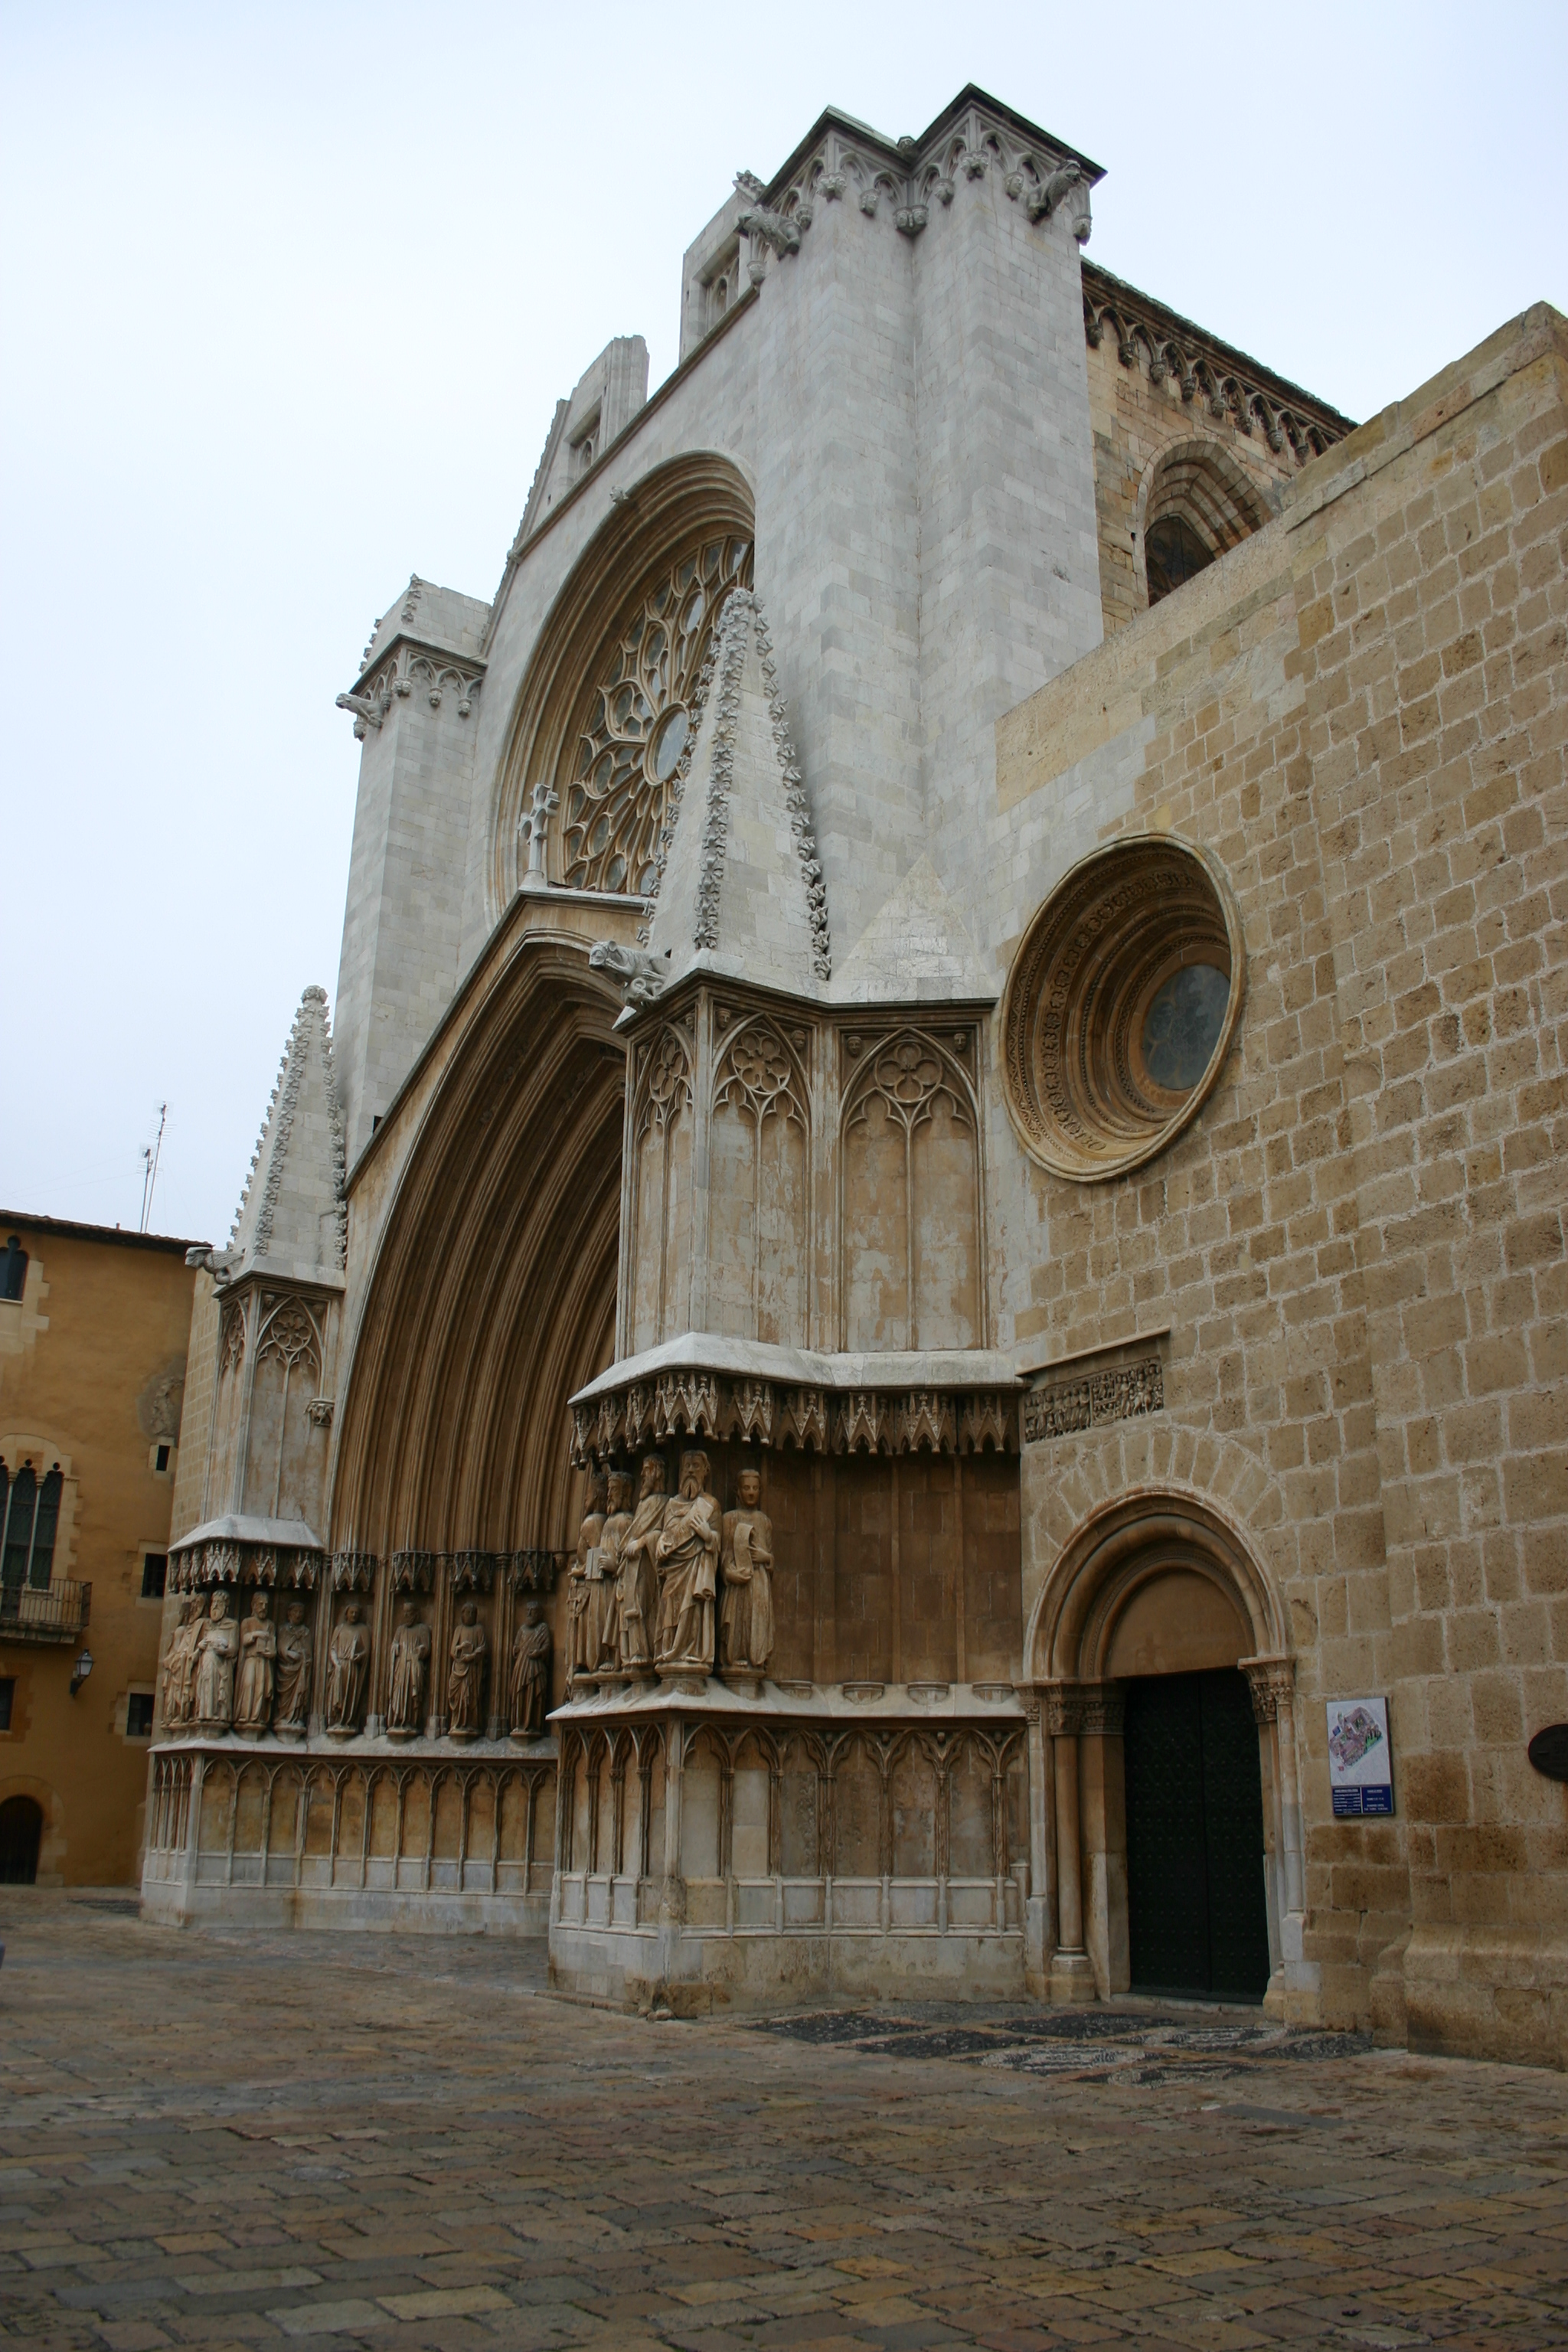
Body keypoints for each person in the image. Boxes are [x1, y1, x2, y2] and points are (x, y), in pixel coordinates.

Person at [654, 1449, 720, 1674]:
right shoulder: (671, 1505)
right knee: (668, 1606)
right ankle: (668, 1651)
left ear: (705, 1471)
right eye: (687, 1467)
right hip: (673, 1570)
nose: (691, 1471)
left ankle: (693, 1652)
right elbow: (666, 1533)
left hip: (697, 1568)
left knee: (692, 1608)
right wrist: (660, 1543)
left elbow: (718, 1542)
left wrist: (708, 1536)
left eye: (696, 1466)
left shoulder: (710, 1505)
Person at [720, 1468, 775, 1677]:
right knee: (737, 1621)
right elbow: (724, 1555)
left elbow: (770, 1557)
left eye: (755, 1488)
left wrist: (766, 1558)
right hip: (737, 1582)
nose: (751, 1492)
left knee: (757, 1620)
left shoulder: (764, 1522)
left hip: (759, 1581)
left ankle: (756, 1660)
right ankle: (735, 1658)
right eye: (746, 1488)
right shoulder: (729, 1519)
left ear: (761, 1490)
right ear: (738, 1490)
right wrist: (729, 1573)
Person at [617, 1455, 668, 1674]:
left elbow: (666, 1534)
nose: (642, 1475)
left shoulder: (665, 1502)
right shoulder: (643, 1504)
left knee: (644, 1603)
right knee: (632, 1605)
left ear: (658, 1473)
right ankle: (634, 1652)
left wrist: (643, 1542)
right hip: (632, 1565)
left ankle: (646, 1652)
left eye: (647, 1469)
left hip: (648, 1564)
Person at [193, 1590, 240, 1730]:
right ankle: (203, 1714)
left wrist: (224, 1651)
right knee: (206, 1687)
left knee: (219, 1691)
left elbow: (234, 1649)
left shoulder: (232, 1625)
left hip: (222, 1666)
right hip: (206, 1663)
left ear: (226, 1607)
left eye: (219, 1603)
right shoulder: (206, 1625)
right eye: (214, 1603)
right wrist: (200, 1646)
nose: (215, 1606)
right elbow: (196, 1646)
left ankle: (219, 1716)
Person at [234, 1592, 277, 1735]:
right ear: (253, 1605)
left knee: (261, 1689)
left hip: (264, 1662)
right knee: (248, 1684)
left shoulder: (270, 1625)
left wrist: (271, 1653)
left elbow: (273, 1647)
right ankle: (244, 1716)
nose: (263, 1607)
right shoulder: (247, 1622)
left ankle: (258, 1718)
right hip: (250, 1660)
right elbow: (244, 1640)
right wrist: (257, 1634)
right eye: (260, 1604)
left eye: (266, 1605)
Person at [386, 1600, 431, 1736]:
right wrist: (395, 1648)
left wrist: (421, 1650)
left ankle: (412, 1722)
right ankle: (398, 1720)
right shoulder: (400, 1630)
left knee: (413, 1693)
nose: (406, 1616)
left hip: (414, 1666)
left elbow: (427, 1647)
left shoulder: (422, 1629)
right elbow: (394, 1644)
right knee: (399, 1693)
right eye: (405, 1613)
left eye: (409, 1613)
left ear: (416, 1614)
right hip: (401, 1667)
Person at [325, 1600, 370, 1734]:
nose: (354, 1615)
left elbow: (367, 1651)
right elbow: (333, 1649)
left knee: (350, 1696)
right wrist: (336, 1663)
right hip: (339, 1667)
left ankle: (348, 1721)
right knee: (337, 1694)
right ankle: (336, 1720)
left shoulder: (363, 1629)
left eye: (357, 1613)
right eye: (352, 1612)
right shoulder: (339, 1629)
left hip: (352, 1667)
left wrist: (360, 1656)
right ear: (346, 1614)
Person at [447, 1600, 488, 1737]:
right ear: (462, 1614)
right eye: (467, 1613)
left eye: (472, 1613)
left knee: (470, 1697)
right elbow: (452, 1651)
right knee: (459, 1697)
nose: (470, 1616)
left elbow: (483, 1648)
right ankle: (457, 1723)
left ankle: (471, 1724)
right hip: (459, 1668)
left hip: (473, 1671)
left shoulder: (479, 1629)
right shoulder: (458, 1630)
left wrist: (472, 1656)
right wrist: (460, 1648)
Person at [508, 1602, 551, 1736]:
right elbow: (516, 1646)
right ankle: (519, 1724)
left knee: (534, 1694)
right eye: (527, 1610)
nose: (529, 1614)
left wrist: (539, 1653)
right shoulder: (522, 1630)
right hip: (521, 1667)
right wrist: (517, 1649)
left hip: (535, 1667)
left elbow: (547, 1646)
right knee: (520, 1694)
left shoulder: (543, 1629)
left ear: (539, 1614)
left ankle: (532, 1725)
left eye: (532, 1611)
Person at [273, 1599, 312, 1736]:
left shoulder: (306, 1632)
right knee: (284, 1697)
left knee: (299, 1694)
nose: (298, 1615)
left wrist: (303, 1657)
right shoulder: (283, 1630)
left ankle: (296, 1717)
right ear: (289, 1613)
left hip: (300, 1668)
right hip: (286, 1668)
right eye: (296, 1612)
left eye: (301, 1612)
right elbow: (280, 1648)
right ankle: (283, 1716)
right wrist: (288, 1653)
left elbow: (309, 1652)